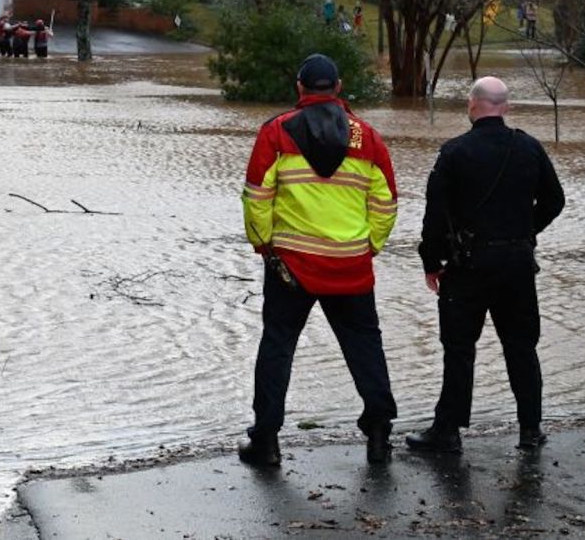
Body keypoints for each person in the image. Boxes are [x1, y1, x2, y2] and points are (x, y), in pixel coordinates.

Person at [238, 53, 400, 467]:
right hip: (351, 265)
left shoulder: (275, 133)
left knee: (278, 347)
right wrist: (370, 247)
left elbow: (257, 198)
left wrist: (264, 246)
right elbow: (385, 205)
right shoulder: (368, 137)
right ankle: (379, 434)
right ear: (339, 88)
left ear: (299, 89)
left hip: (291, 265)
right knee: (365, 346)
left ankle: (267, 441)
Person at [406, 76, 564, 454]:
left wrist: (432, 261)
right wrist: (525, 231)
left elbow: (434, 216)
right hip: (517, 263)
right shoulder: (528, 147)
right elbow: (555, 201)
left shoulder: (454, 153)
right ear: (505, 107)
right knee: (521, 346)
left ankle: (448, 431)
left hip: (468, 266)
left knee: (459, 348)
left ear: (471, 106)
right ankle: (530, 429)